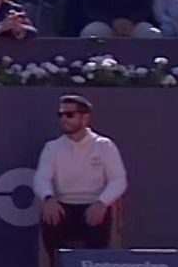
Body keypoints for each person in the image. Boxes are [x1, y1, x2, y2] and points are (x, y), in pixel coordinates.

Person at [33, 95, 127, 251]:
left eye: (69, 115)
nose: (64, 119)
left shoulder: (104, 145)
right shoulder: (52, 147)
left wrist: (102, 202)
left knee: (98, 223)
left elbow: (119, 179)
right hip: (63, 206)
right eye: (61, 115)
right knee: (51, 218)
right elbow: (41, 178)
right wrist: (48, 198)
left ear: (85, 118)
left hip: (94, 205)